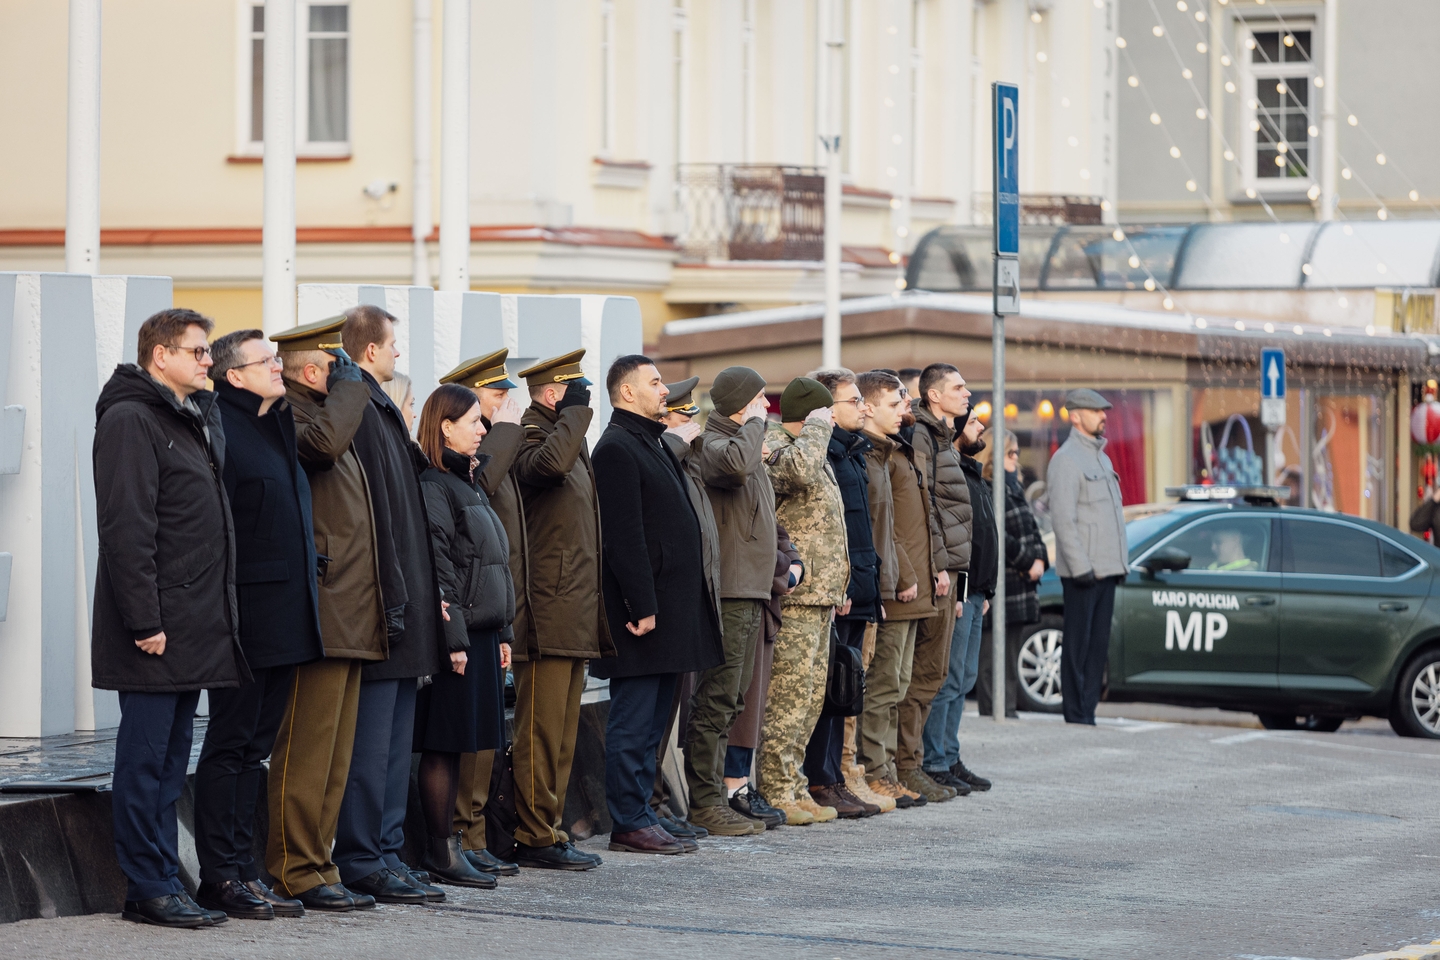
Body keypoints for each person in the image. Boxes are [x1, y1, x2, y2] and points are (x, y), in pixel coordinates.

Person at [92, 308, 248, 928]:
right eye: (199, 352)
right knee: (145, 760)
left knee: (169, 763)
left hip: (191, 622)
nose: (209, 361)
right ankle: (147, 885)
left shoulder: (184, 416)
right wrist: (143, 620)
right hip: (156, 628)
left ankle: (160, 880)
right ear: (161, 356)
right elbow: (127, 528)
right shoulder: (132, 419)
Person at [192, 330, 323, 921]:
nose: (279, 367)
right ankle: (220, 875)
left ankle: (246, 868)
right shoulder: (224, 428)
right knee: (230, 744)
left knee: (257, 751)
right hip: (245, 618)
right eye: (266, 361)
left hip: (287, 616)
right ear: (233, 375)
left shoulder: (276, 424)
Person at [267, 318, 390, 912]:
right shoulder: (293, 415)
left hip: (349, 605)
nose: (350, 377)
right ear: (314, 372)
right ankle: (293, 865)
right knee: (307, 749)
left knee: (335, 754)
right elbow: (320, 449)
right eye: (337, 365)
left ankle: (319, 861)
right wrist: (351, 390)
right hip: (322, 606)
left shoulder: (325, 413)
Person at [334, 305, 450, 902]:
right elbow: (375, 520)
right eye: (393, 346)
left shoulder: (379, 413)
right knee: (371, 749)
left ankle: (385, 851)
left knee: (393, 744)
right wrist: (399, 600)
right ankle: (363, 857)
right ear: (371, 351)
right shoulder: (363, 410)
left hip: (406, 604)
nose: (398, 355)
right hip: (386, 607)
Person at [590, 356, 724, 855]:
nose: (664, 389)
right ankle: (627, 819)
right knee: (634, 717)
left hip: (670, 607)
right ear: (626, 393)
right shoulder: (617, 449)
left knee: (655, 721)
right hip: (643, 614)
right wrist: (642, 604)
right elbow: (624, 538)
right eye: (654, 382)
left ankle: (644, 810)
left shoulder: (646, 440)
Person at [510, 349, 615, 870]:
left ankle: (549, 827)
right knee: (540, 730)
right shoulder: (534, 437)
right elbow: (548, 467)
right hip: (548, 609)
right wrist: (575, 414)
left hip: (572, 606)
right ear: (553, 395)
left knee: (563, 732)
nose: (584, 403)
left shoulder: (566, 437)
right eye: (575, 394)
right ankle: (534, 833)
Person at [415, 384, 516, 887]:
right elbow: (440, 566)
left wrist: (503, 631)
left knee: (462, 746)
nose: (483, 429)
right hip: (456, 636)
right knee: (443, 744)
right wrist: (454, 638)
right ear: (445, 426)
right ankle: (441, 850)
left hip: (480, 631)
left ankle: (454, 843)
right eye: (474, 421)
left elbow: (492, 562)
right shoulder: (436, 482)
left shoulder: (467, 481)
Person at [438, 349, 526, 877]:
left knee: (485, 742)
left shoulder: (486, 450)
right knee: (463, 743)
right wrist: (505, 433)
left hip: (494, 612)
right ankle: (461, 838)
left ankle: (471, 834)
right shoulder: (488, 449)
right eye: (492, 399)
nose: (500, 409)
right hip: (468, 618)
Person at [683, 366, 776, 837]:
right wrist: (754, 422)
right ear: (741, 403)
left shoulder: (744, 442)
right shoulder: (713, 445)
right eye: (760, 399)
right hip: (731, 591)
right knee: (717, 699)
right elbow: (736, 466)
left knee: (734, 699)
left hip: (753, 590)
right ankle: (704, 803)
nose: (766, 408)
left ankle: (713, 798)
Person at [758, 377, 847, 826]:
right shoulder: (778, 443)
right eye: (827, 412)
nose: (833, 420)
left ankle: (793, 784)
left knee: (809, 699)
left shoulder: (811, 445)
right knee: (786, 700)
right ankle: (776, 787)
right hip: (794, 597)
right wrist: (816, 429)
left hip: (820, 596)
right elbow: (796, 474)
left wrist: (839, 585)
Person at [858, 371, 947, 807]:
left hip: (914, 586)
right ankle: (876, 771)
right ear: (869, 406)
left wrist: (934, 569)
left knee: (901, 682)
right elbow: (885, 527)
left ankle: (888, 769)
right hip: (896, 587)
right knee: (884, 684)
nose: (904, 411)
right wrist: (909, 574)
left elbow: (923, 522)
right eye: (896, 404)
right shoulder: (875, 457)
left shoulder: (899, 451)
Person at [803, 368, 877, 817]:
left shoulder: (852, 453)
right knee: (826, 689)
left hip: (859, 585)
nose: (862, 406)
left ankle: (833, 776)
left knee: (844, 688)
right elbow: (828, 532)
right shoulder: (823, 454)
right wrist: (843, 583)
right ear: (827, 408)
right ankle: (819, 779)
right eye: (854, 400)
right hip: (838, 589)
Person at [656, 378, 727, 839]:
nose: (693, 430)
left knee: (666, 713)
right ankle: (649, 804)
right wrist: (675, 444)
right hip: (664, 602)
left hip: (690, 597)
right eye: (684, 419)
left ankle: (657, 804)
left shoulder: (687, 460)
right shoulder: (666, 454)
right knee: (652, 720)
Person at [904, 363, 972, 796]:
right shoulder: (924, 436)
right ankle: (910, 765)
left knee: (938, 673)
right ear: (933, 396)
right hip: (935, 573)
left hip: (950, 573)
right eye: (958, 387)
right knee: (921, 675)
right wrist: (940, 567)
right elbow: (927, 506)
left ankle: (919, 764)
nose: (967, 394)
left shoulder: (944, 438)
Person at [923, 408, 996, 792]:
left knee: (964, 678)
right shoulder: (953, 472)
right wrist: (963, 588)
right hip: (960, 589)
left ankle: (949, 756)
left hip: (977, 591)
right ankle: (935, 760)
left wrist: (988, 589)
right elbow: (955, 538)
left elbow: (982, 534)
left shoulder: (972, 472)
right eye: (973, 422)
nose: (980, 427)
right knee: (949, 679)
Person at [1045, 388, 1128, 725]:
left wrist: (1120, 563)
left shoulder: (1102, 458)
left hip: (1107, 569)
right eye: (1096, 411)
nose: (1103, 416)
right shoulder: (1065, 460)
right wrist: (1081, 568)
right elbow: (1064, 521)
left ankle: (1088, 711)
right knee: (1078, 647)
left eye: (1104, 411)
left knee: (1098, 646)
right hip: (1084, 572)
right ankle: (1075, 713)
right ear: (1075, 416)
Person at [725, 522, 801, 828]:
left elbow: (774, 528)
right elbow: (751, 538)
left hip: (761, 588)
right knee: (734, 700)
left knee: (751, 700)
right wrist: (785, 567)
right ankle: (731, 788)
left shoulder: (758, 476)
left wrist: (794, 561)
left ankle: (740, 782)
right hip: (740, 586)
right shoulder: (737, 473)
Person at [975, 433, 1048, 718]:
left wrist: (1040, 557)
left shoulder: (1014, 487)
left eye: (1017, 452)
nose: (1017, 458)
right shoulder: (989, 486)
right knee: (993, 658)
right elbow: (997, 534)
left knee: (1011, 655)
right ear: (994, 455)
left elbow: (1031, 528)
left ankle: (1007, 709)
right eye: (1011, 453)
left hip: (1020, 585)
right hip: (1002, 581)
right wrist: (1029, 560)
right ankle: (995, 712)